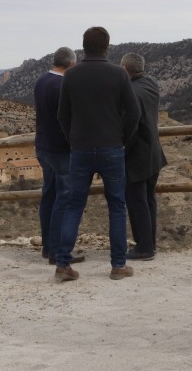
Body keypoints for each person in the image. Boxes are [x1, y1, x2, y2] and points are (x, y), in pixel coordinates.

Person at [52, 26, 140, 281]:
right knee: (116, 206)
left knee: (74, 206)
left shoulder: (71, 75)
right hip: (112, 148)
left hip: (79, 150)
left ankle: (63, 265)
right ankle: (118, 266)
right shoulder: (119, 75)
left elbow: (62, 115)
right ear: (106, 47)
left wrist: (73, 139)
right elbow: (134, 113)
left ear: (83, 46)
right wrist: (122, 138)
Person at [34, 47, 81, 265]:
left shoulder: (41, 80)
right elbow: (69, 120)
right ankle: (58, 251)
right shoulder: (63, 86)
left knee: (49, 196)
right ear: (71, 64)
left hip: (43, 148)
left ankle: (47, 247)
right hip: (61, 150)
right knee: (64, 199)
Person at [120, 52, 167, 261]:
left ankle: (144, 248)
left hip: (137, 156)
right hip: (153, 153)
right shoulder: (150, 83)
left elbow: (131, 127)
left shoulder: (131, 92)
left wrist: (123, 150)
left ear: (124, 69)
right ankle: (149, 243)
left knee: (137, 202)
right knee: (148, 200)